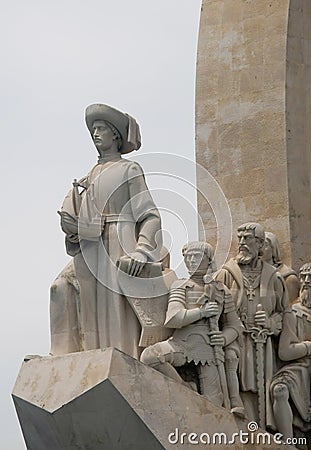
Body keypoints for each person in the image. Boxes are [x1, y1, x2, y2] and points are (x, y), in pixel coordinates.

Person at [51, 103, 162, 359]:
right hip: (90, 244)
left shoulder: (128, 169)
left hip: (119, 239)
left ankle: (121, 356)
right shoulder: (88, 176)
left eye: (101, 128)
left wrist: (142, 250)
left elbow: (150, 215)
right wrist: (72, 228)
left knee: (113, 308)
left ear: (115, 134)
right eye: (93, 130)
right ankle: (65, 352)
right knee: (61, 287)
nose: (95, 134)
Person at [140, 242, 242, 411]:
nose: (192, 261)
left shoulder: (222, 291)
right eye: (188, 257)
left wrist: (224, 338)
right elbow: (173, 318)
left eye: (197, 256)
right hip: (183, 343)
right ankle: (186, 388)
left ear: (208, 260)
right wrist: (202, 312)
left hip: (210, 351)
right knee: (150, 358)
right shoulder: (181, 286)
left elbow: (235, 325)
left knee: (214, 405)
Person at [216, 222, 289, 428]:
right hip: (235, 340)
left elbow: (283, 314)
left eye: (248, 239)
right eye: (240, 239)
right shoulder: (226, 274)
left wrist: (270, 322)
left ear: (260, 244)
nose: (242, 243)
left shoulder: (273, 277)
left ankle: (262, 431)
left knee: (261, 389)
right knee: (238, 386)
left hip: (262, 344)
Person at [270, 263, 311, 439]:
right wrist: (308, 347)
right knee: (279, 389)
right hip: (299, 367)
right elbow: (285, 352)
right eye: (305, 279)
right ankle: (287, 442)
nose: (307, 283)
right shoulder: (293, 314)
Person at [262, 231, 300, 305]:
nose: (260, 250)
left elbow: (289, 307)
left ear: (273, 249)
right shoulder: (254, 274)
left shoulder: (288, 278)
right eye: (259, 245)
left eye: (265, 245)